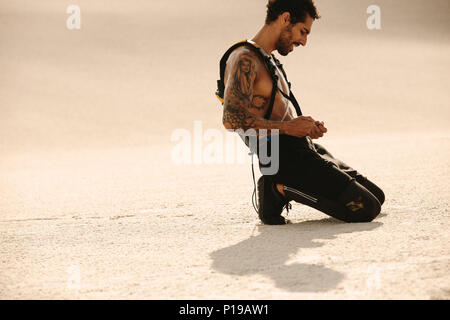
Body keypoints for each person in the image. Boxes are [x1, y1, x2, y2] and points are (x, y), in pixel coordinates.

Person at [218, 0, 385, 225]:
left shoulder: (268, 58)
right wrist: (288, 127)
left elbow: (278, 111)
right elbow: (231, 119)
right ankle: (277, 188)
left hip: (301, 147)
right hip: (280, 157)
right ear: (286, 19)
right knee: (366, 208)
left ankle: (282, 184)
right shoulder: (245, 59)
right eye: (303, 31)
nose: (304, 41)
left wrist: (305, 127)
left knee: (378, 196)